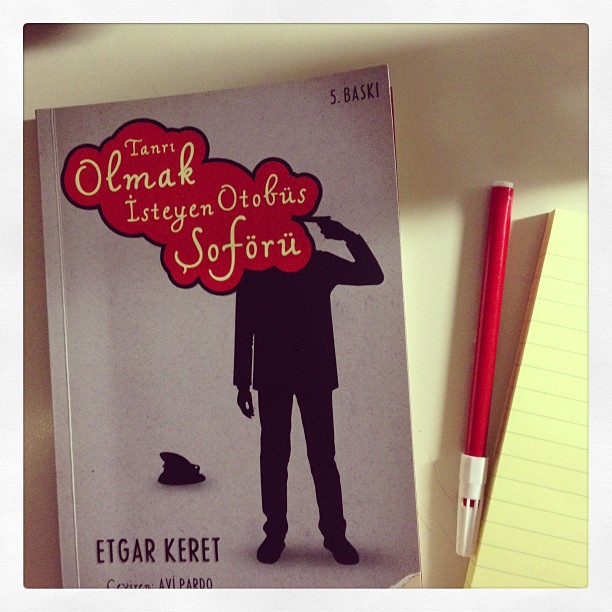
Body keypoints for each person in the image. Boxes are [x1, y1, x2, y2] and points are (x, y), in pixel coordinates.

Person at [233, 217, 383, 564]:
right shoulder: (263, 269)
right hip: (280, 377)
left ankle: (329, 535)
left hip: (308, 376)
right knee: (283, 457)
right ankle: (283, 534)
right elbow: (245, 328)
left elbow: (373, 275)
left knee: (316, 457)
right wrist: (242, 381)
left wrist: (348, 235)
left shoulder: (313, 265)